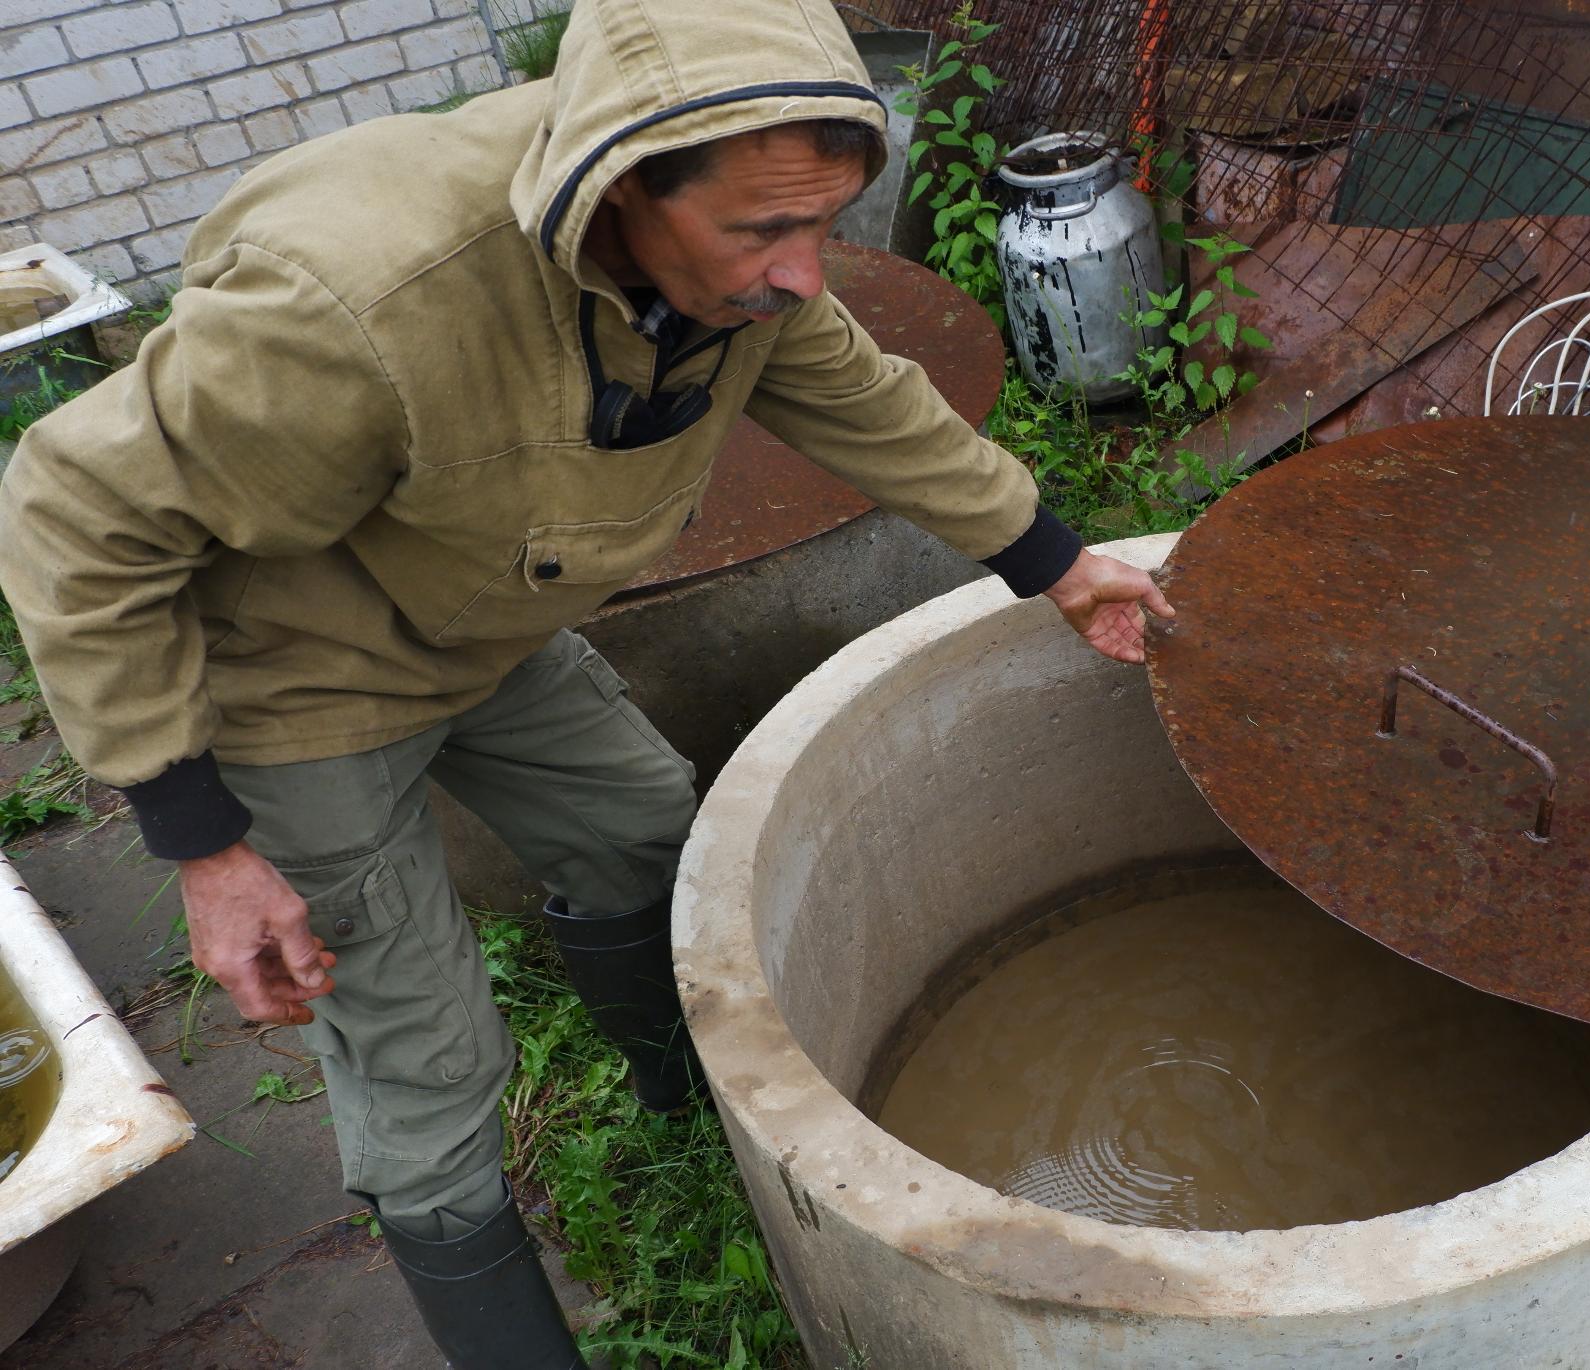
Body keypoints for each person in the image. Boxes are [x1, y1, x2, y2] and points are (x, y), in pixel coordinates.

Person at [0, 0, 1172, 1364]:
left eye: (826, 224)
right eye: (761, 235)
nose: (801, 272)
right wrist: (205, 844)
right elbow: (68, 515)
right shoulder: (362, 305)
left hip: (478, 612)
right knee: (425, 1062)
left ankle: (687, 1118)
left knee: (643, 825)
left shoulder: (743, 257)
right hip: (289, 679)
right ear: (616, 186)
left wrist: (1053, 560)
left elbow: (857, 390)